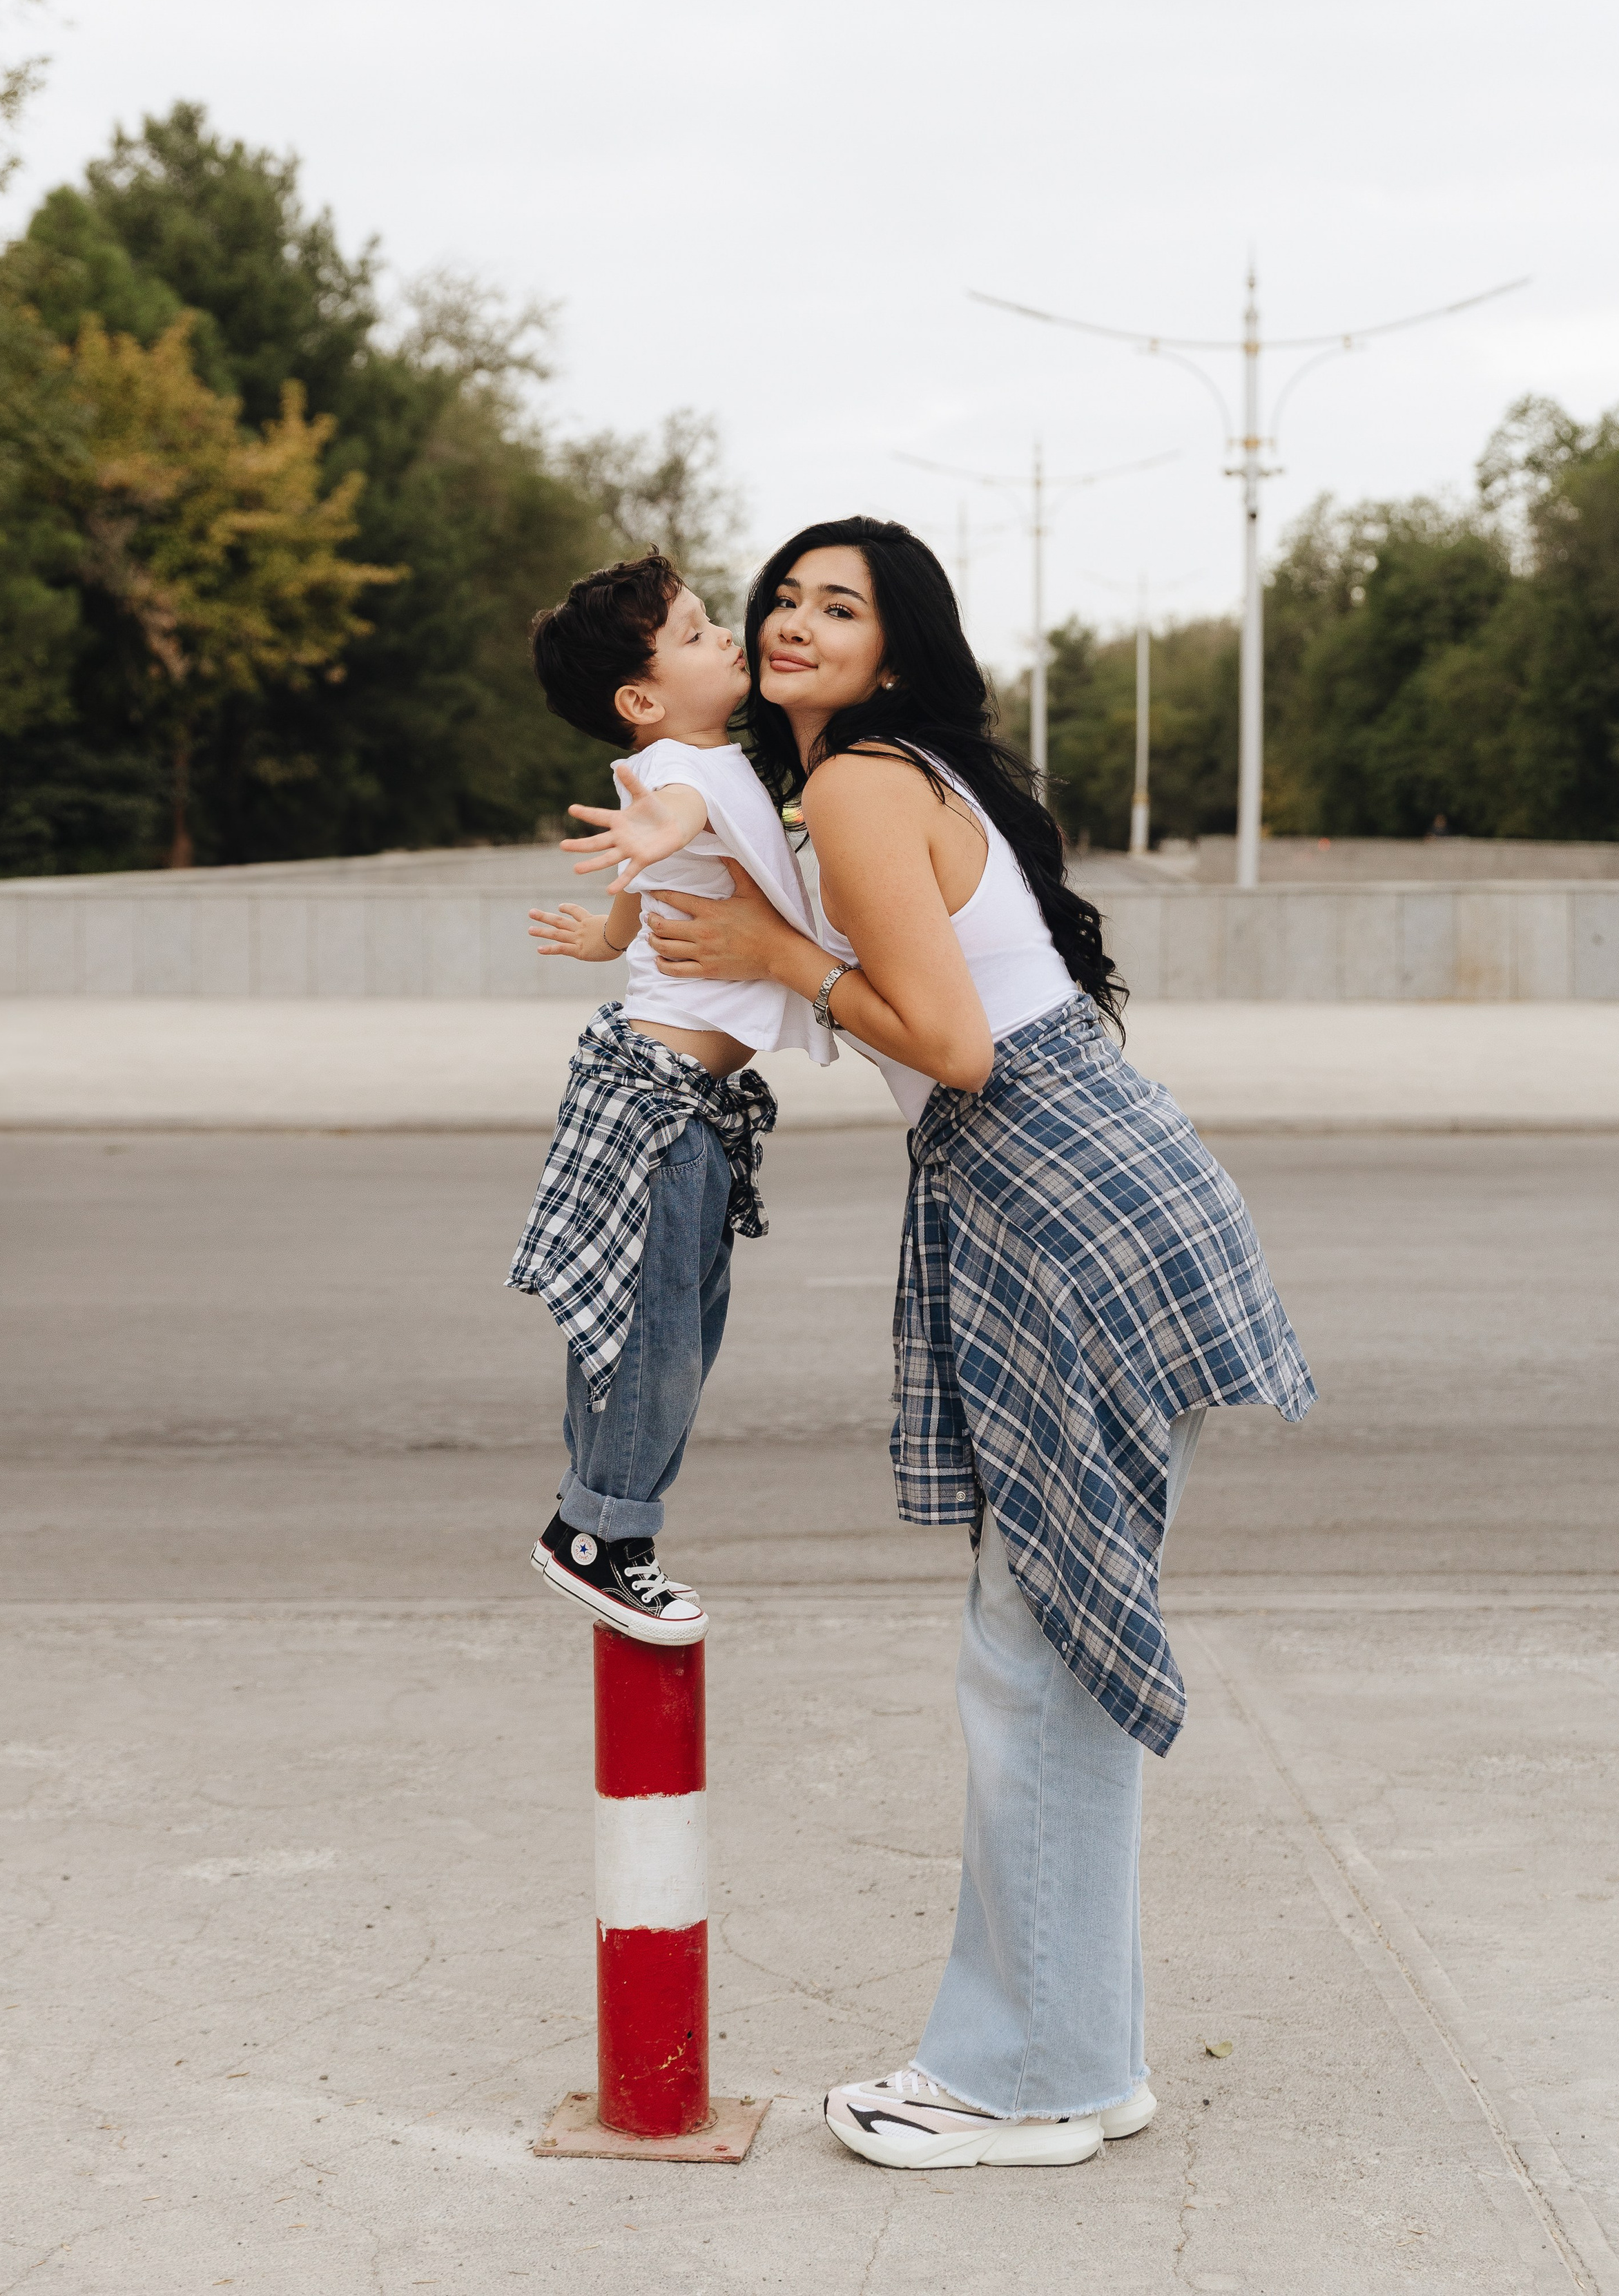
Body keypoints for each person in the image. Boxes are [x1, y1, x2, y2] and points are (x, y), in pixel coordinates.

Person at [644, 517, 1316, 2169]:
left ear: (896, 645)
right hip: (1068, 1193)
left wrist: (779, 952)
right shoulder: (853, 789)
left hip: (1055, 1207)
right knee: (1049, 1651)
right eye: (781, 599)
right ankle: (1081, 2054)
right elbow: (836, 997)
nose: (794, 624)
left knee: (1034, 1658)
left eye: (838, 606)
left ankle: (1028, 2082)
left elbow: (944, 1044)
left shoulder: (868, 783)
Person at [507, 550, 834, 1648]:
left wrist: (602, 931)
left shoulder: (694, 771)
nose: (727, 638)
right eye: (696, 634)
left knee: (666, 1322)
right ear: (642, 699)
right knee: (657, 1337)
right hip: (658, 1099)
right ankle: (598, 1535)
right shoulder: (678, 773)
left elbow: (648, 889)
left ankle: (605, 1519)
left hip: (682, 1098)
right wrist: (656, 829)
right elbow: (679, 813)